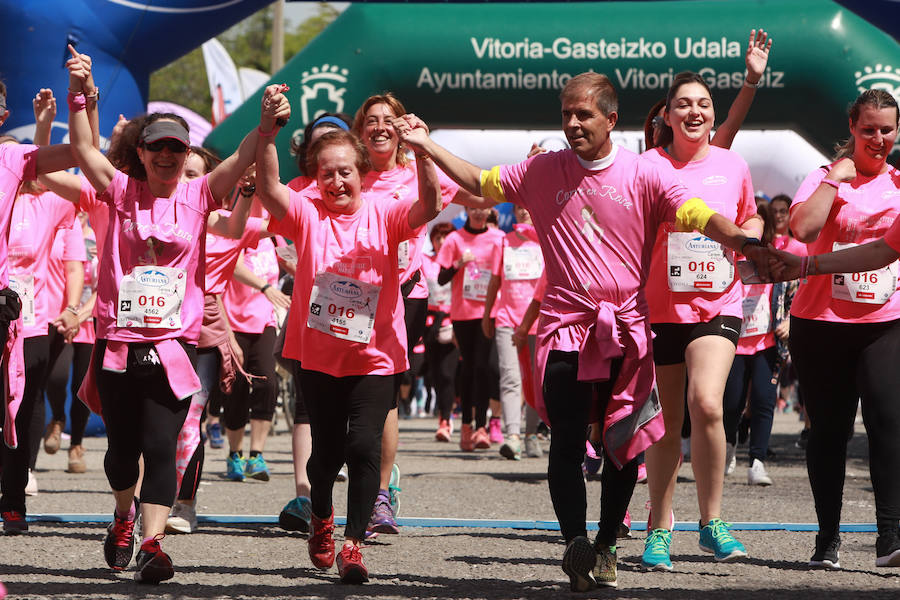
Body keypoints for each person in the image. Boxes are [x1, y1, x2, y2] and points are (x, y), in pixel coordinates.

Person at [393, 71, 769, 591]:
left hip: (628, 331)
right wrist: (425, 145)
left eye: (583, 114)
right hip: (566, 327)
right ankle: (575, 541)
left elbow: (702, 215)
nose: (572, 123)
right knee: (568, 441)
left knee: (622, 444)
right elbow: (480, 185)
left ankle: (610, 543)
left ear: (611, 120)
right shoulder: (543, 170)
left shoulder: (644, 174)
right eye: (566, 113)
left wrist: (746, 245)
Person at [65, 46, 283, 583]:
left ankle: (153, 543)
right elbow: (82, 148)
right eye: (158, 147)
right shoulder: (119, 190)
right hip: (118, 342)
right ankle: (122, 517)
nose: (167, 156)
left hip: (172, 346)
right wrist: (79, 90)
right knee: (121, 452)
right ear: (141, 152)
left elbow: (241, 158)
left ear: (185, 151)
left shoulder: (200, 194)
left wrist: (264, 127)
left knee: (163, 446)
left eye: (176, 148)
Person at [255, 86, 442, 583]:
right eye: (326, 173)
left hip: (375, 353)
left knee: (363, 448)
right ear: (315, 179)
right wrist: (268, 133)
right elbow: (272, 191)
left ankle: (354, 544)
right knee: (327, 455)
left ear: (362, 174)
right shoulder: (307, 212)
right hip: (318, 354)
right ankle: (321, 515)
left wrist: (420, 149)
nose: (336, 181)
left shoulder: (385, 212)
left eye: (345, 172)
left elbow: (430, 204)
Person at [767, 88, 900, 569]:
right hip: (820, 324)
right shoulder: (824, 176)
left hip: (885, 324)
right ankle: (828, 537)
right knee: (829, 434)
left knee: (888, 424)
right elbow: (801, 231)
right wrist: (835, 179)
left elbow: (886, 253)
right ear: (851, 126)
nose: (878, 138)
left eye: (887, 129)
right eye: (869, 129)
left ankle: (889, 538)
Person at [641, 71, 763, 571]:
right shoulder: (646, 165)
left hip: (719, 302)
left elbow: (750, 216)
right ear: (666, 116)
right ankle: (659, 525)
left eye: (705, 104)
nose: (696, 112)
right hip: (659, 308)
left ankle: (712, 522)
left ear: (713, 114)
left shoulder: (733, 164)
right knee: (666, 422)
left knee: (707, 402)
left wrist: (751, 231)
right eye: (685, 104)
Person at [351, 93, 478, 535]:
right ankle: (354, 479)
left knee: (382, 392)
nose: (380, 127)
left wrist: (427, 147)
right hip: (352, 296)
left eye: (389, 119)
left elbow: (479, 193)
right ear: (359, 129)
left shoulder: (418, 171)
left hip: (405, 295)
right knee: (348, 390)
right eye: (372, 120)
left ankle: (378, 494)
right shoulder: (346, 176)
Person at [0, 81, 79, 535]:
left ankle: (14, 497)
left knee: (22, 406)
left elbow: (49, 161)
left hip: (28, 320)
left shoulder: (48, 205)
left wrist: (72, 307)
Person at [277, 112, 352, 534]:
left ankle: (373, 495)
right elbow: (270, 230)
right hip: (311, 310)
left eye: (335, 139)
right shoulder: (298, 191)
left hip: (361, 315)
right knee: (306, 407)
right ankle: (307, 495)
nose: (326, 147)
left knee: (359, 412)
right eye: (317, 142)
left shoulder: (364, 184)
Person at [722, 202, 785, 486]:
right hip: (733, 343)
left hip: (767, 343)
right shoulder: (727, 255)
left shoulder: (777, 257)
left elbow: (795, 291)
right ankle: (729, 447)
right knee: (731, 404)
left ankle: (757, 462)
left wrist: (790, 321)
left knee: (763, 401)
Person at [437, 206, 504, 451]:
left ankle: (481, 428)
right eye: (473, 207)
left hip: (491, 311)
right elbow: (441, 278)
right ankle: (466, 426)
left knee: (484, 368)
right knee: (467, 369)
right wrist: (458, 263)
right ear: (466, 209)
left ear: (491, 210)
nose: (478, 212)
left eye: (483, 207)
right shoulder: (455, 239)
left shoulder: (499, 238)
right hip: (463, 313)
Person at [482, 205, 544, 460]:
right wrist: (487, 314)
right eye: (518, 207)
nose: (523, 212)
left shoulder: (546, 238)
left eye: (528, 206)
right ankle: (513, 436)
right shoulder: (504, 242)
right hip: (507, 319)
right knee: (511, 378)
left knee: (536, 382)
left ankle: (530, 434)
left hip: (540, 321)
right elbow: (494, 281)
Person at [421, 222, 458, 441]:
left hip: (455, 322)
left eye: (446, 236)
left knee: (448, 373)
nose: (442, 241)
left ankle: (447, 419)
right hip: (429, 323)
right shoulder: (424, 261)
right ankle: (443, 415)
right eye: (437, 237)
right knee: (435, 373)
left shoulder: (461, 262)